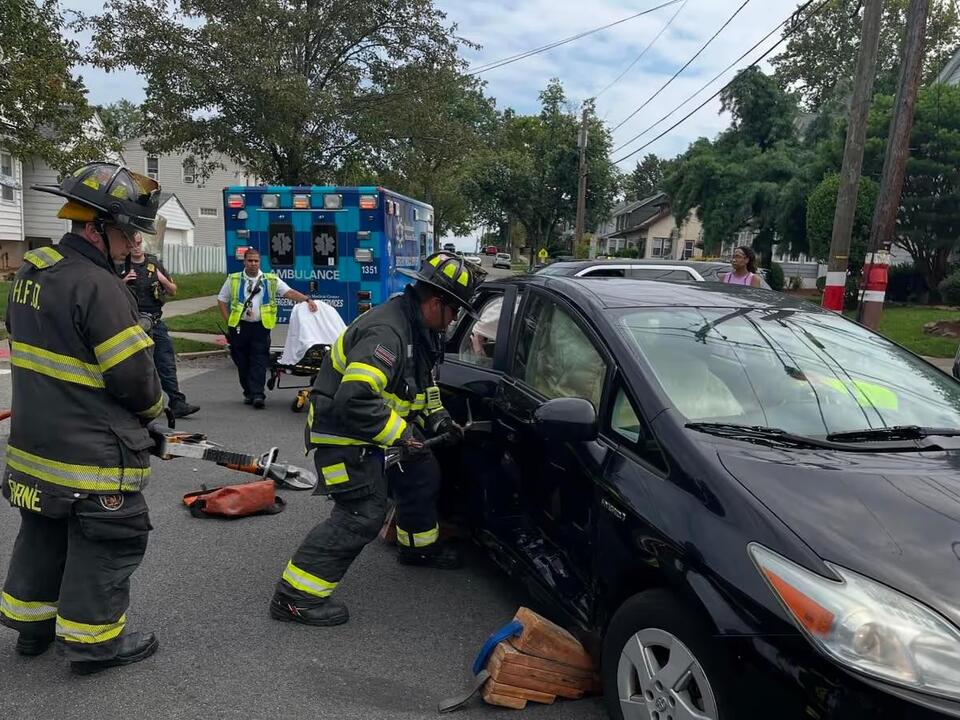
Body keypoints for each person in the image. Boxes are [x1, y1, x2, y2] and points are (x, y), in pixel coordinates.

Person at [0, 162, 165, 673]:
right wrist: (156, 411)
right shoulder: (97, 285)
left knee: (43, 534)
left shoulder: (33, 272)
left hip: (33, 447)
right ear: (98, 226)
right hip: (90, 454)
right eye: (127, 232)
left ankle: (32, 631)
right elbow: (136, 381)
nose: (130, 244)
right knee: (109, 540)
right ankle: (95, 646)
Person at [269, 251, 481, 627]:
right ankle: (294, 598)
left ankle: (417, 549)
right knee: (361, 513)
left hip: (372, 430)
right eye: (455, 311)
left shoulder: (416, 327)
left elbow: (421, 388)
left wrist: (440, 421)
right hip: (343, 436)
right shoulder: (389, 331)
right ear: (436, 303)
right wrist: (402, 435)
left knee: (421, 472)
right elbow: (357, 399)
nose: (455, 320)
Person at [217, 248, 318, 408]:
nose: (253, 264)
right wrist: (229, 320)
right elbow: (222, 299)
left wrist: (307, 299)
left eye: (256, 261)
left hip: (261, 327)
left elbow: (288, 292)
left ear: (260, 262)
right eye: (250, 261)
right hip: (239, 327)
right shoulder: (234, 279)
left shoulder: (270, 280)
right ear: (244, 262)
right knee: (242, 363)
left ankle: (258, 395)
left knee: (259, 361)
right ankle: (249, 393)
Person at [122, 232, 199, 418]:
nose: (136, 247)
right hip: (133, 323)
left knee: (166, 362)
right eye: (132, 243)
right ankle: (138, 405)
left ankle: (177, 402)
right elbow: (108, 290)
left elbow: (173, 290)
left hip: (155, 321)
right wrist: (123, 281)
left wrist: (161, 279)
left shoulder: (153, 263)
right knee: (138, 367)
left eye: (139, 243)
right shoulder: (121, 265)